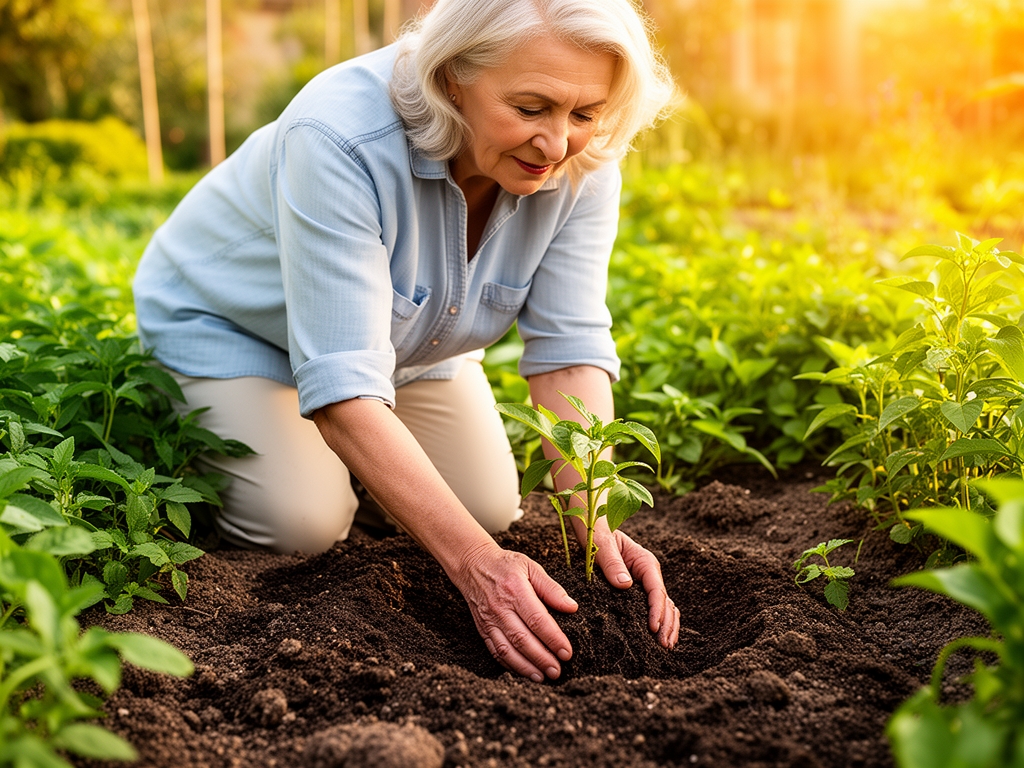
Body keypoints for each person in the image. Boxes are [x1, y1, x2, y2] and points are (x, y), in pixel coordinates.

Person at [133, 0, 680, 683]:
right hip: (234, 326)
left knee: (485, 508)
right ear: (453, 77)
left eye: (584, 112)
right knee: (301, 523)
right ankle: (288, 453)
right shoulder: (339, 133)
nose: (556, 143)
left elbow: (568, 353)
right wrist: (477, 568)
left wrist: (597, 523)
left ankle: (366, 470)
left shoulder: (583, 159)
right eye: (531, 108)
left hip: (410, 346)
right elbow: (345, 390)